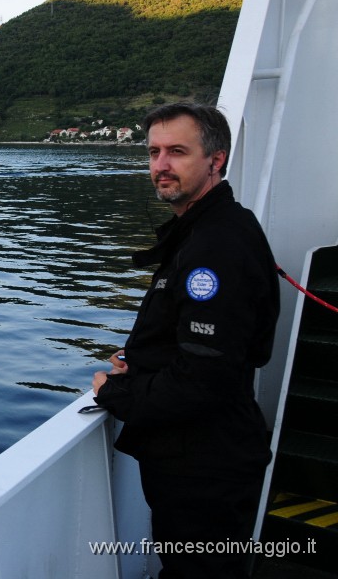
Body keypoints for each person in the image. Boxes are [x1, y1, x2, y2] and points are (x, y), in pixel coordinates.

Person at [92, 102, 279, 578]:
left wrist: (115, 392)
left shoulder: (215, 246)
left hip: (203, 464)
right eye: (154, 152)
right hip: (205, 452)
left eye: (177, 151)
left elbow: (205, 376)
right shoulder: (211, 229)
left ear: (215, 161)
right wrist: (143, 360)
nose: (160, 166)